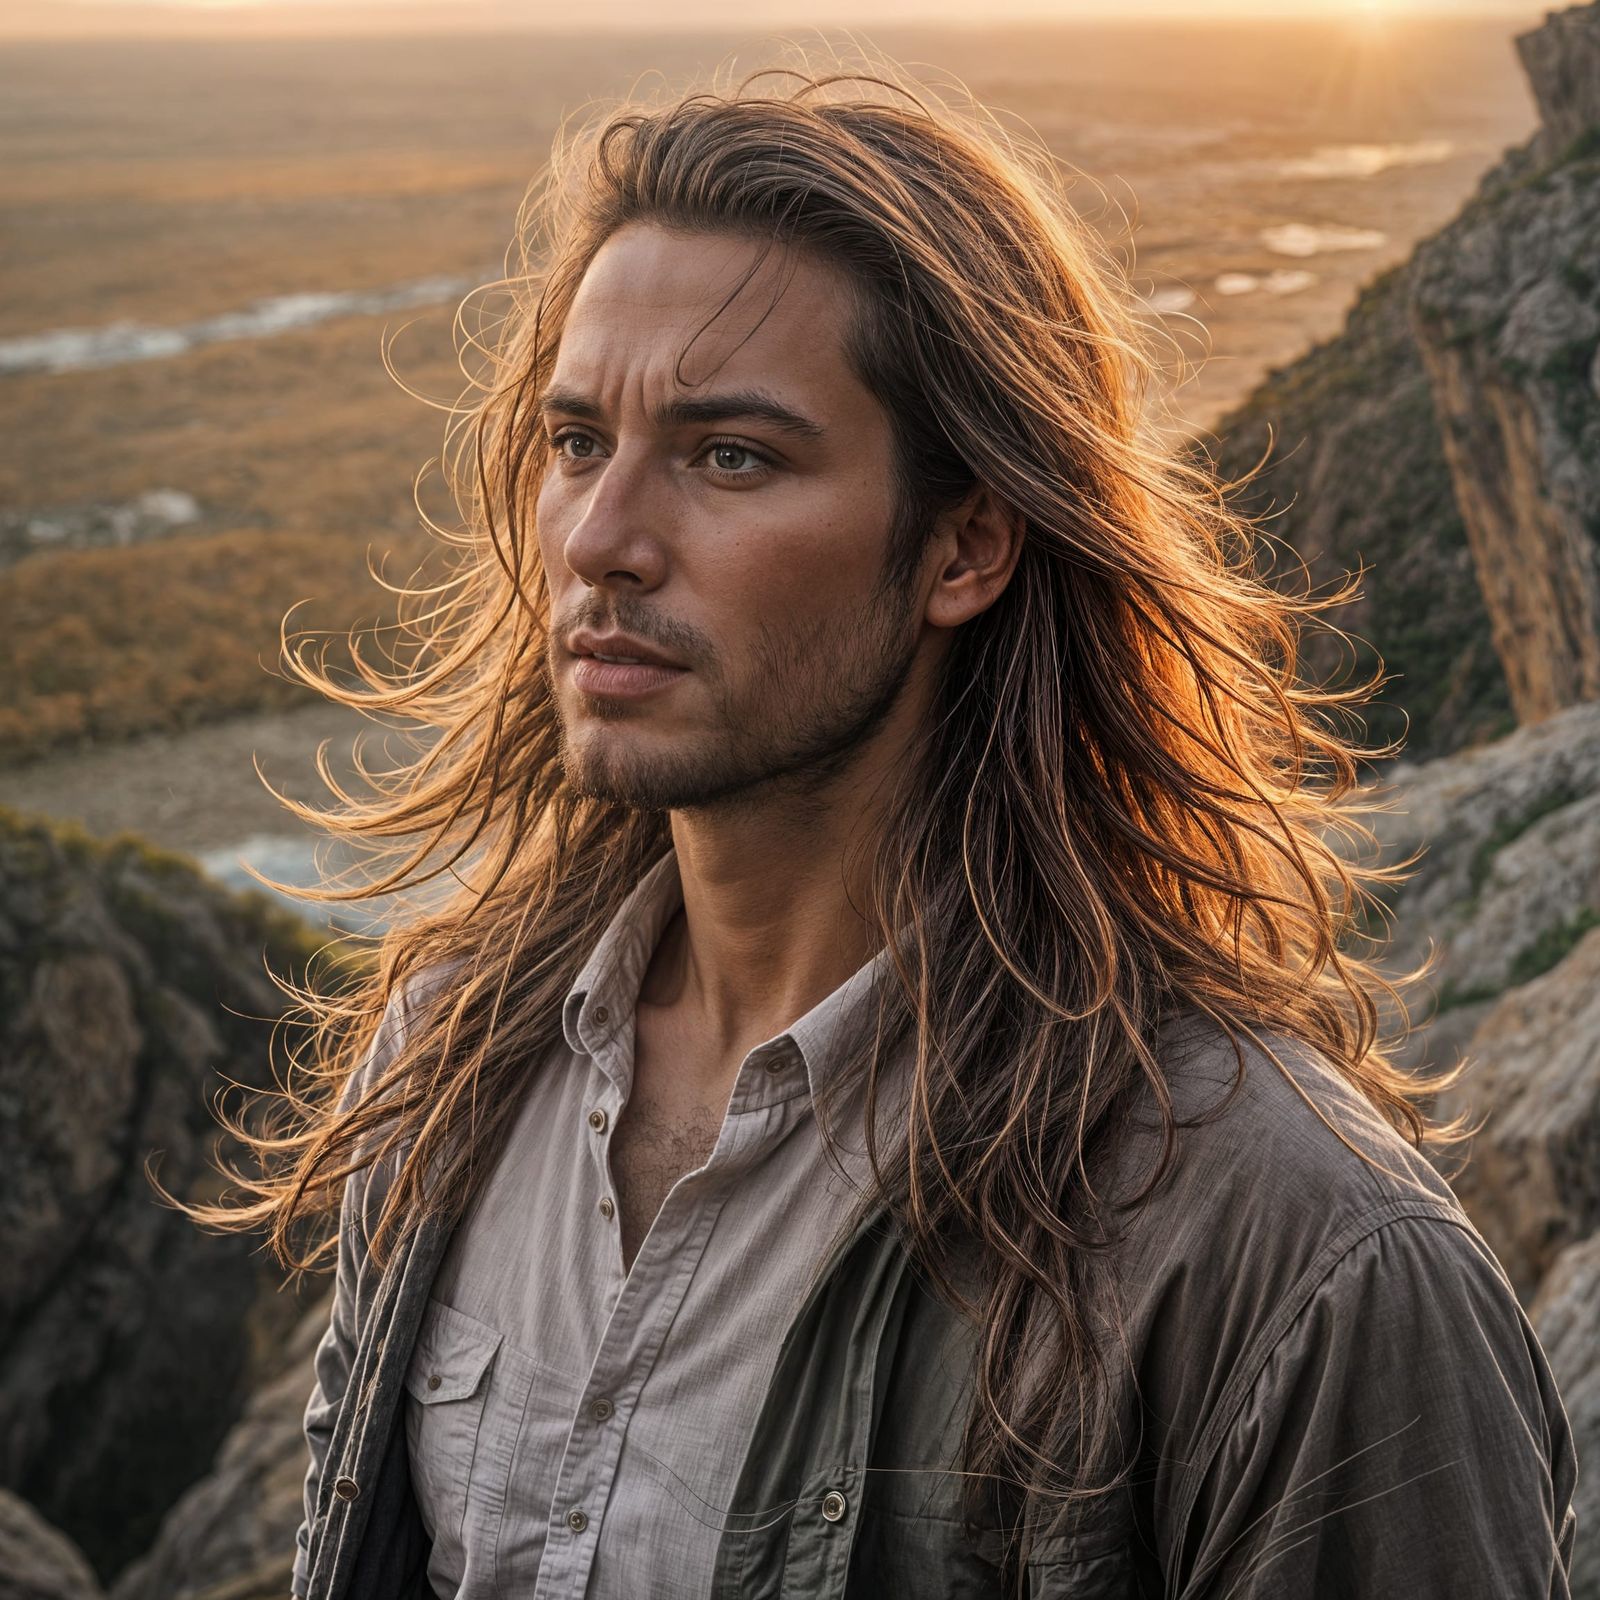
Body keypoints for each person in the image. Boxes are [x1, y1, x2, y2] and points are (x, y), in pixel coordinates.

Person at [181, 48, 1577, 1600]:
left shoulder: (1286, 1255)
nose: (602, 540)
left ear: (965, 544)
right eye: (577, 444)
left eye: (730, 456)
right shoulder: (449, 1055)